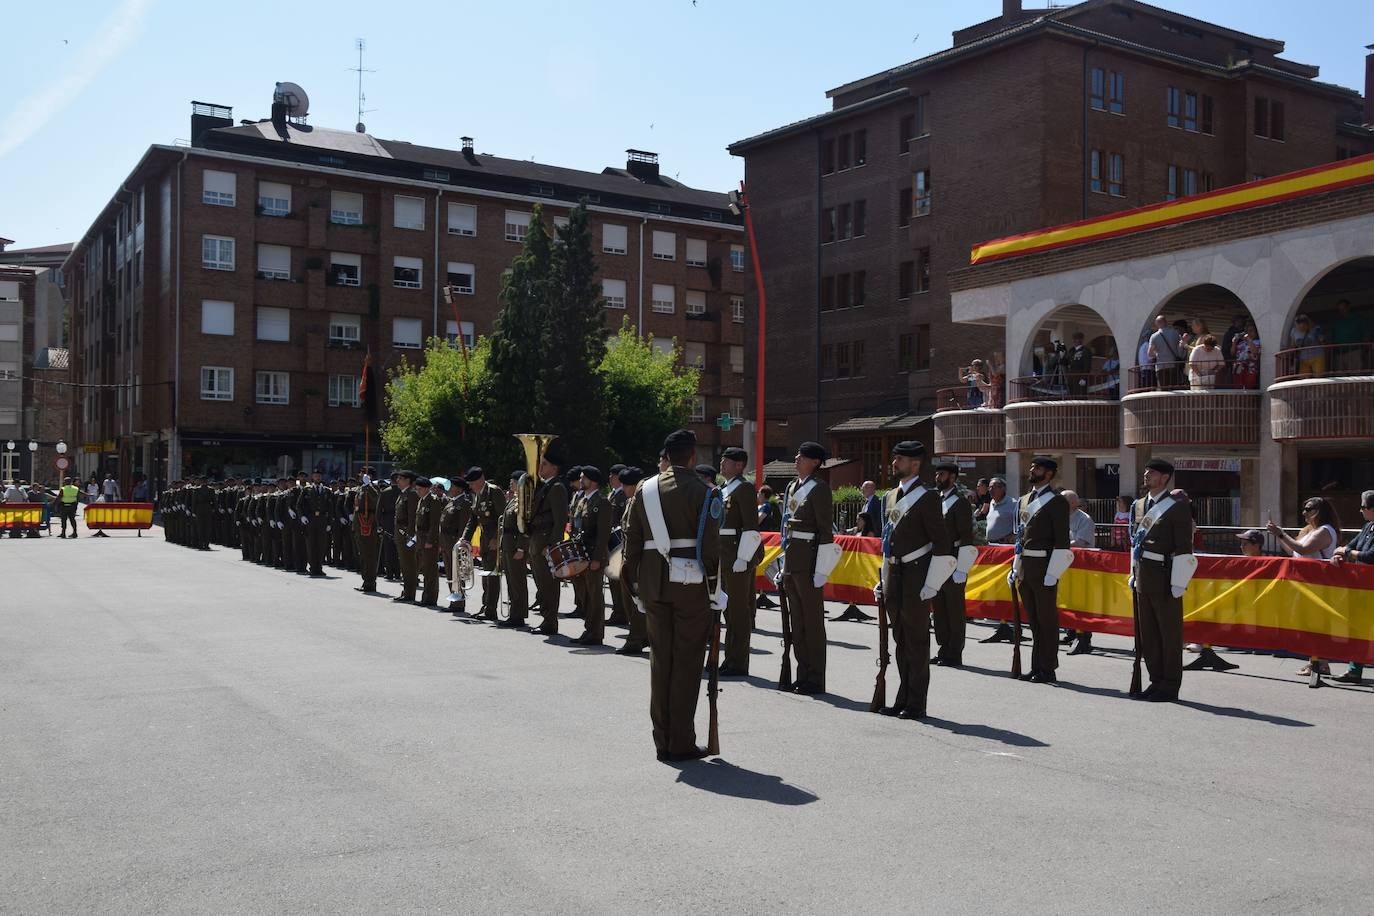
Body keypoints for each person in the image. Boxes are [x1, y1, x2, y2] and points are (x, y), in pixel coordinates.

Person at [622, 429, 724, 761]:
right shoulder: (706, 492)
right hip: (690, 587)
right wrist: (714, 589)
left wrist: (633, 586)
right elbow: (710, 550)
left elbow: (630, 545)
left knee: (659, 662)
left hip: (652, 584)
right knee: (687, 663)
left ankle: (661, 739)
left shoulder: (644, 489)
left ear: (667, 456)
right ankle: (680, 741)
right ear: (693, 457)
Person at [872, 442, 954, 718]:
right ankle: (901, 697)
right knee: (900, 640)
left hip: (917, 575)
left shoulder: (929, 497)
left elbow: (941, 544)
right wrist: (883, 578)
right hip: (895, 574)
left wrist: (932, 583)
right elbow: (887, 542)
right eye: (895, 457)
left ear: (916, 463)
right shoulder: (891, 496)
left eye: (901, 458)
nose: (895, 462)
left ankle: (916, 702)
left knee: (917, 642)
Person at [1128, 459, 1198, 701]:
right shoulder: (1138, 506)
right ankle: (1155, 680)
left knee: (1168, 634)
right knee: (1148, 634)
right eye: (1146, 471)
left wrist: (1178, 582)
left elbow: (1183, 548)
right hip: (1143, 576)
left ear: (1165, 477)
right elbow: (1135, 543)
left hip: (1165, 576)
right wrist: (1133, 572)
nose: (1146, 475)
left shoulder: (1177, 506)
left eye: (1153, 472)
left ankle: (1169, 685)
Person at [776, 441, 838, 695]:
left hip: (810, 562)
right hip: (792, 561)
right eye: (797, 455)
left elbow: (825, 531)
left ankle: (815, 677)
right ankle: (802, 674)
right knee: (797, 622)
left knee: (812, 624)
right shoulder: (792, 486)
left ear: (815, 462)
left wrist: (821, 569)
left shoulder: (819, 489)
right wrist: (783, 563)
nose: (797, 460)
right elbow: (786, 530)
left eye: (802, 457)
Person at [1009, 456, 1072, 683]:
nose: (1032, 470)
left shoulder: (1056, 502)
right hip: (1025, 566)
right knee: (1034, 621)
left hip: (1045, 566)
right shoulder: (1025, 500)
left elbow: (1062, 543)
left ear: (1048, 474)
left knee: (1047, 621)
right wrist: (1015, 566)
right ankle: (1036, 666)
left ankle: (1047, 667)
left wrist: (1052, 573)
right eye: (1032, 466)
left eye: (1038, 468)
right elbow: (1020, 537)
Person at [1268, 496, 1341, 680]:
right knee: (1309, 623)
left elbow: (1304, 549)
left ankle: (1320, 663)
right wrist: (1278, 535)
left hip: (1319, 584)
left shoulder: (1325, 530)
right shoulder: (1309, 530)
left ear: (1318, 511)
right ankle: (1314, 661)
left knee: (1316, 623)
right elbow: (1293, 551)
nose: (1304, 513)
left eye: (1308, 509)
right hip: (1306, 583)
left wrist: (1282, 533)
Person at [716, 447, 760, 677]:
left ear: (739, 465)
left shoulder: (743, 489)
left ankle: (738, 661)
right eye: (722, 461)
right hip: (723, 557)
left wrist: (743, 557)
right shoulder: (723, 488)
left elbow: (751, 527)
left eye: (727, 461)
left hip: (736, 557)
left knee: (738, 611)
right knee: (727, 612)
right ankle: (729, 658)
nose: (722, 464)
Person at [932, 459, 973, 668]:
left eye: (942, 475)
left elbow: (967, 537)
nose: (938, 478)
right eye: (937, 474)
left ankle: (954, 652)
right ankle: (942, 648)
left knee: (954, 610)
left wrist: (962, 568)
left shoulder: (960, 502)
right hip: (936, 562)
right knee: (939, 609)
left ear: (953, 478)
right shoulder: (936, 500)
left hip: (953, 561)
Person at [1330, 491, 1374, 684]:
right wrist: (1340, 555)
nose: (1361, 510)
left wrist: (1347, 551)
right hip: (1362, 588)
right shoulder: (1367, 527)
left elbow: (1370, 556)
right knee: (1358, 629)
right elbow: (1351, 547)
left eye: (1363, 507)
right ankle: (1354, 671)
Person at [526, 447, 570, 635]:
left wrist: (552, 545)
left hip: (546, 542)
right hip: (538, 540)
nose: (540, 467)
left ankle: (550, 621)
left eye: (544, 464)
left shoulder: (557, 487)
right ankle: (547, 619)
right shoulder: (546, 486)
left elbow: (560, 520)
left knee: (549, 584)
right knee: (541, 582)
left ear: (554, 468)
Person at [570, 466, 612, 646]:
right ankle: (589, 628)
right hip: (581, 554)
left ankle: (596, 633)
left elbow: (603, 534)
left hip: (593, 555)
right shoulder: (582, 501)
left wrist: (596, 559)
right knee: (584, 593)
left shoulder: (601, 502)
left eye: (583, 478)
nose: (580, 481)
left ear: (592, 481)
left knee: (594, 595)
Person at [461, 467, 506, 621]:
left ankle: (490, 610)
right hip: (484, 538)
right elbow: (473, 519)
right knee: (485, 574)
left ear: (480, 480)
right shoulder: (477, 495)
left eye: (472, 483)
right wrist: (465, 538)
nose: (470, 487)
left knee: (492, 575)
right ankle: (486, 605)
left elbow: (503, 518)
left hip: (494, 538)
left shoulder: (494, 492)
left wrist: (496, 538)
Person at [614, 467, 649, 655]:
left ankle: (635, 639)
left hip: (637, 559)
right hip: (629, 556)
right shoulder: (631, 501)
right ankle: (641, 636)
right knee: (631, 602)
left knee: (635, 602)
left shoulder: (641, 501)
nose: (623, 489)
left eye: (625, 485)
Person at [1061, 489, 1096, 655]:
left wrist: (1060, 544)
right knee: (1067, 600)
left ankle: (1084, 638)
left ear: (1072, 503)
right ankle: (1071, 632)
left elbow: (1081, 542)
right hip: (1064, 564)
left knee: (1081, 601)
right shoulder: (1059, 517)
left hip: (1081, 566)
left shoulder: (1084, 520)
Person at [497, 470, 530, 629]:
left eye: (513, 481)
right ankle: (514, 613)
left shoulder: (524, 501)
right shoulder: (514, 499)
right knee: (511, 581)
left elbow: (525, 526)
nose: (510, 484)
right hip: (508, 545)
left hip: (516, 546)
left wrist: (522, 548)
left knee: (517, 582)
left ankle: (518, 615)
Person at [413, 477, 443, 607]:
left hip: (428, 540)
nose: (417, 491)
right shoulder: (422, 500)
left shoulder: (433, 501)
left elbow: (435, 523)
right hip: (421, 538)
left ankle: (430, 598)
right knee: (425, 569)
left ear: (426, 488)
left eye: (419, 489)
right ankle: (426, 596)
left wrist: (430, 540)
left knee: (430, 570)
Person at [392, 470, 420, 604]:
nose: (398, 480)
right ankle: (406, 591)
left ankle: (410, 593)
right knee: (404, 564)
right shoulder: (403, 494)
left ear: (408, 480)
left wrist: (410, 535)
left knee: (409, 564)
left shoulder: (412, 494)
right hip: (400, 533)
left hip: (406, 535)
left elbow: (412, 517)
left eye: (400, 478)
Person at [352, 466, 382, 593]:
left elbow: (377, 500)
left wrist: (369, 485)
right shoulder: (361, 488)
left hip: (368, 524)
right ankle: (366, 580)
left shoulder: (373, 488)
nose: (360, 475)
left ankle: (370, 582)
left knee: (369, 554)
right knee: (363, 554)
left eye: (363, 473)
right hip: (360, 524)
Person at [298, 468, 332, 577]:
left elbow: (331, 508)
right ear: (312, 477)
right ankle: (313, 567)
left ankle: (319, 567)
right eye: (315, 476)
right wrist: (302, 516)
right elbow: (299, 505)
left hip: (322, 519)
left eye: (319, 476)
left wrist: (329, 523)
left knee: (321, 545)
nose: (317, 477)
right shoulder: (306, 490)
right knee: (311, 544)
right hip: (311, 519)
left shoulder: (327, 490)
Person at [1328, 299, 1369, 371]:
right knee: (1341, 376)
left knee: (1356, 375)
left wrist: (1364, 350)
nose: (1342, 311)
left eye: (1343, 308)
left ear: (1348, 307)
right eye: (1340, 309)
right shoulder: (1336, 321)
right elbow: (1332, 335)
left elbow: (1366, 334)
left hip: (1354, 351)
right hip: (1339, 353)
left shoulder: (1358, 319)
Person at [1148, 314, 1186, 389]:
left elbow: (1150, 354)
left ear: (1157, 324)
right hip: (1174, 365)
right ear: (1166, 322)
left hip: (1161, 366)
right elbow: (1181, 348)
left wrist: (1157, 354)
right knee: (1175, 389)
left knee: (1164, 390)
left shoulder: (1154, 336)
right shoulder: (1175, 333)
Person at [1232, 321, 1261, 389]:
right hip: (1238, 369)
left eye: (1251, 331)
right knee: (1238, 388)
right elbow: (1233, 353)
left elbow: (1255, 352)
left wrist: (1249, 340)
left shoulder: (1258, 342)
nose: (1249, 333)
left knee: (1249, 388)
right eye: (1247, 331)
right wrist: (1234, 343)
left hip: (1251, 369)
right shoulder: (1241, 343)